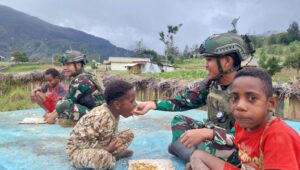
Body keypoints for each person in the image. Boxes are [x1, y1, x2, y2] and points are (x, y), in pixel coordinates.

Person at [133, 33, 255, 165]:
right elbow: (186, 100)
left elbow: (244, 137)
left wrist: (208, 134)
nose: (205, 65)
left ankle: (184, 151)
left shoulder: (247, 91)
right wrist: (153, 104)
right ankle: (197, 157)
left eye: (209, 60)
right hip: (212, 131)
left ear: (227, 62)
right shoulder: (212, 83)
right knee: (179, 121)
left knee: (224, 152)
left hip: (235, 143)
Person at [188, 67, 300, 170]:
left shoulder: (278, 136)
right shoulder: (242, 125)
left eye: (252, 98)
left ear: (270, 103)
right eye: (234, 98)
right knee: (197, 156)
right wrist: (211, 134)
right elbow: (234, 140)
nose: (240, 106)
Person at [66, 79, 136, 170]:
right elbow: (82, 144)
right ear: (117, 104)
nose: (135, 104)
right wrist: (107, 149)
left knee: (128, 134)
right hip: (78, 151)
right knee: (104, 159)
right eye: (132, 101)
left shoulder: (113, 111)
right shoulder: (101, 117)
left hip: (101, 145)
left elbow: (107, 135)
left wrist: (109, 146)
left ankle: (112, 155)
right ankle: (112, 156)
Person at [45, 50, 104, 126]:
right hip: (99, 113)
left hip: (98, 117)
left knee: (62, 110)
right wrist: (52, 113)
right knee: (62, 109)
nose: (65, 68)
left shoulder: (81, 80)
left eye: (68, 65)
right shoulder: (86, 76)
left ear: (79, 65)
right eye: (64, 65)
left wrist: (51, 117)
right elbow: (67, 97)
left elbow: (66, 103)